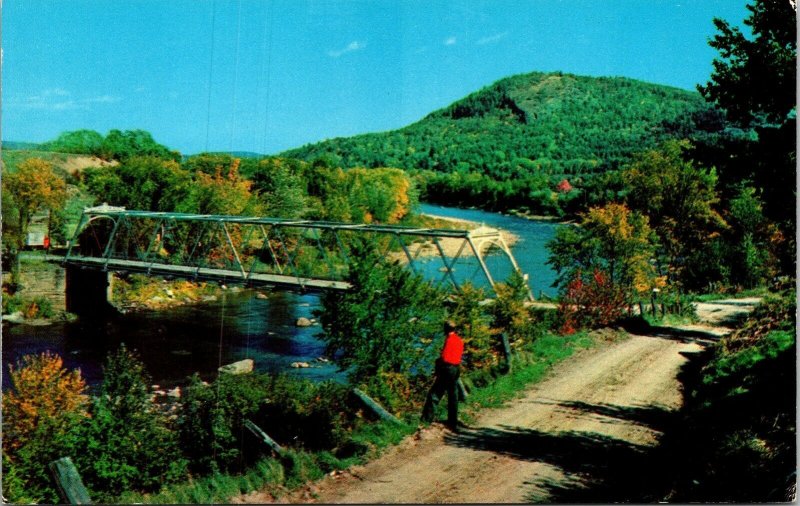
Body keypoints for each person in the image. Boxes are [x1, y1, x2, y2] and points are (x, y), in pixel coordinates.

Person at [421, 320, 464, 431]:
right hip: (456, 368)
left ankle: (426, 420)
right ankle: (453, 423)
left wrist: (437, 367)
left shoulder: (449, 340)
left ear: (445, 329)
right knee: (453, 395)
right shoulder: (459, 340)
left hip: (447, 369)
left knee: (434, 394)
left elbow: (445, 358)